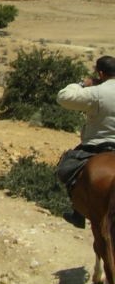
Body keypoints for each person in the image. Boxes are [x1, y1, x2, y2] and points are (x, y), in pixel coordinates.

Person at [56, 55, 115, 228]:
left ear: (101, 73)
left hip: (97, 145)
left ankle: (77, 214)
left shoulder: (96, 92)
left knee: (68, 168)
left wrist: (83, 84)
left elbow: (63, 96)